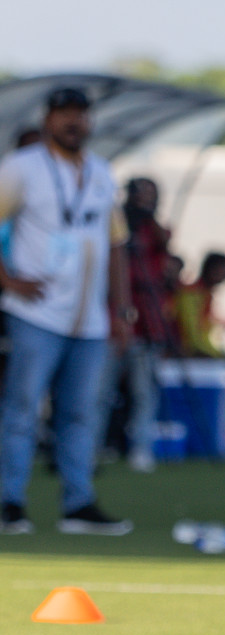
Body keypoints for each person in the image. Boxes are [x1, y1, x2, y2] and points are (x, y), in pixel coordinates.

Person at [0, 87, 132, 535]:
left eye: (80, 114)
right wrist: (8, 280)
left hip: (89, 318)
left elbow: (116, 244)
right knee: (22, 409)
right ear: (48, 120)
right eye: (64, 114)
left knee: (81, 413)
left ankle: (78, 503)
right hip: (35, 312)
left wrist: (122, 310)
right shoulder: (22, 167)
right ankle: (10, 502)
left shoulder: (100, 171)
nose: (73, 122)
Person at [101, 177, 176, 472]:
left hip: (148, 324)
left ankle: (141, 449)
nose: (145, 199)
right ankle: (93, 447)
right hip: (112, 322)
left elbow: (164, 243)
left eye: (151, 195)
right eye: (140, 194)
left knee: (144, 392)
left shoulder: (153, 229)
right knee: (100, 391)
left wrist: (148, 215)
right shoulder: (115, 224)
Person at [175, 251, 225, 359]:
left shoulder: (205, 296)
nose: (220, 278)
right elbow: (193, 338)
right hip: (184, 357)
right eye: (218, 272)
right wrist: (219, 357)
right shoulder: (190, 294)